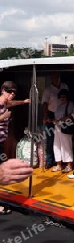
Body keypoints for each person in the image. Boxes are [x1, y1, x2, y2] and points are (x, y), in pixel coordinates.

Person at [0, 81, 31, 214]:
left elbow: (12, 103)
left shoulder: (6, 103)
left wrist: (23, 102)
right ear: (2, 90)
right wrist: (3, 117)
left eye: (13, 93)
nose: (11, 95)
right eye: (9, 92)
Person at [42, 73, 68, 169]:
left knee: (64, 138)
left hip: (63, 114)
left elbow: (68, 99)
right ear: (51, 79)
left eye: (57, 77)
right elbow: (44, 103)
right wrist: (45, 116)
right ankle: (50, 161)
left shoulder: (65, 86)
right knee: (50, 138)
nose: (56, 79)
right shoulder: (47, 90)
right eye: (54, 77)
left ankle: (64, 161)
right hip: (51, 114)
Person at [51, 89, 74, 173]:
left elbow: (70, 115)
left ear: (67, 97)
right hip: (57, 127)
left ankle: (69, 165)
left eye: (64, 97)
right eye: (61, 97)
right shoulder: (59, 106)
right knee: (56, 145)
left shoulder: (70, 104)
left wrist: (60, 120)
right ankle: (59, 164)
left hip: (65, 127)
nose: (62, 98)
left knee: (66, 146)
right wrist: (54, 120)